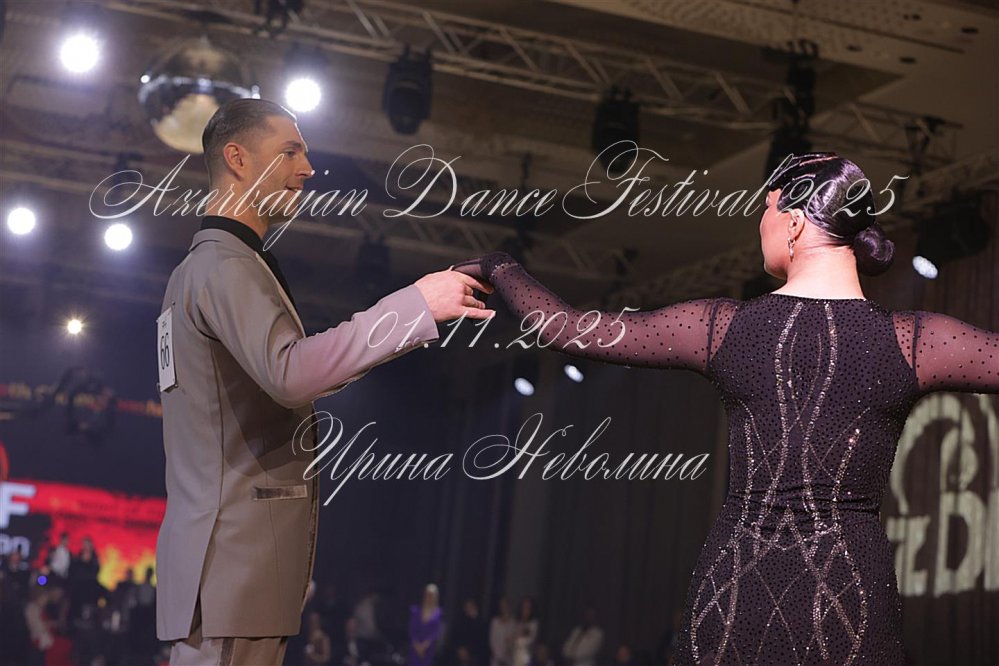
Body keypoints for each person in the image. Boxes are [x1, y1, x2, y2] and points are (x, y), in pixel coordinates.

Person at [451, 153, 999, 664]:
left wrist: (500, 267)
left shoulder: (724, 327)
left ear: (794, 223)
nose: (760, 224)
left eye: (766, 209)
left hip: (733, 597)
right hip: (852, 604)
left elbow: (568, 329)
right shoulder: (915, 341)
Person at [155, 97, 494, 666]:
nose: (308, 168)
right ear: (237, 158)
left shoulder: (199, 270)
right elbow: (290, 373)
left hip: (223, 570)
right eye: (290, 151)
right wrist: (414, 306)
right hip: (233, 568)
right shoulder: (225, 266)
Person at [407, 583, 443, 666]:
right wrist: (417, 646)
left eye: (432, 595)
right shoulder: (415, 611)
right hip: (415, 648)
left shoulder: (438, 613)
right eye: (428, 594)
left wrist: (424, 646)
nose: (429, 597)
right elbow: (412, 630)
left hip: (428, 650)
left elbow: (435, 632)